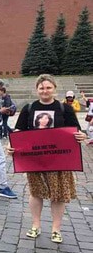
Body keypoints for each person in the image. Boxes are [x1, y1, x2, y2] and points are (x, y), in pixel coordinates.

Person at [8, 74, 87, 243]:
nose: (45, 91)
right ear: (37, 90)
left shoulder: (65, 109)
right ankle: (36, 225)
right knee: (36, 193)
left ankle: (56, 229)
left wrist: (81, 136)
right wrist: (11, 146)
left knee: (58, 195)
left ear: (54, 89)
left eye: (48, 87)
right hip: (35, 159)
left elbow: (76, 131)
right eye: (42, 88)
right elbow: (18, 133)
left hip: (59, 161)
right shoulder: (29, 108)